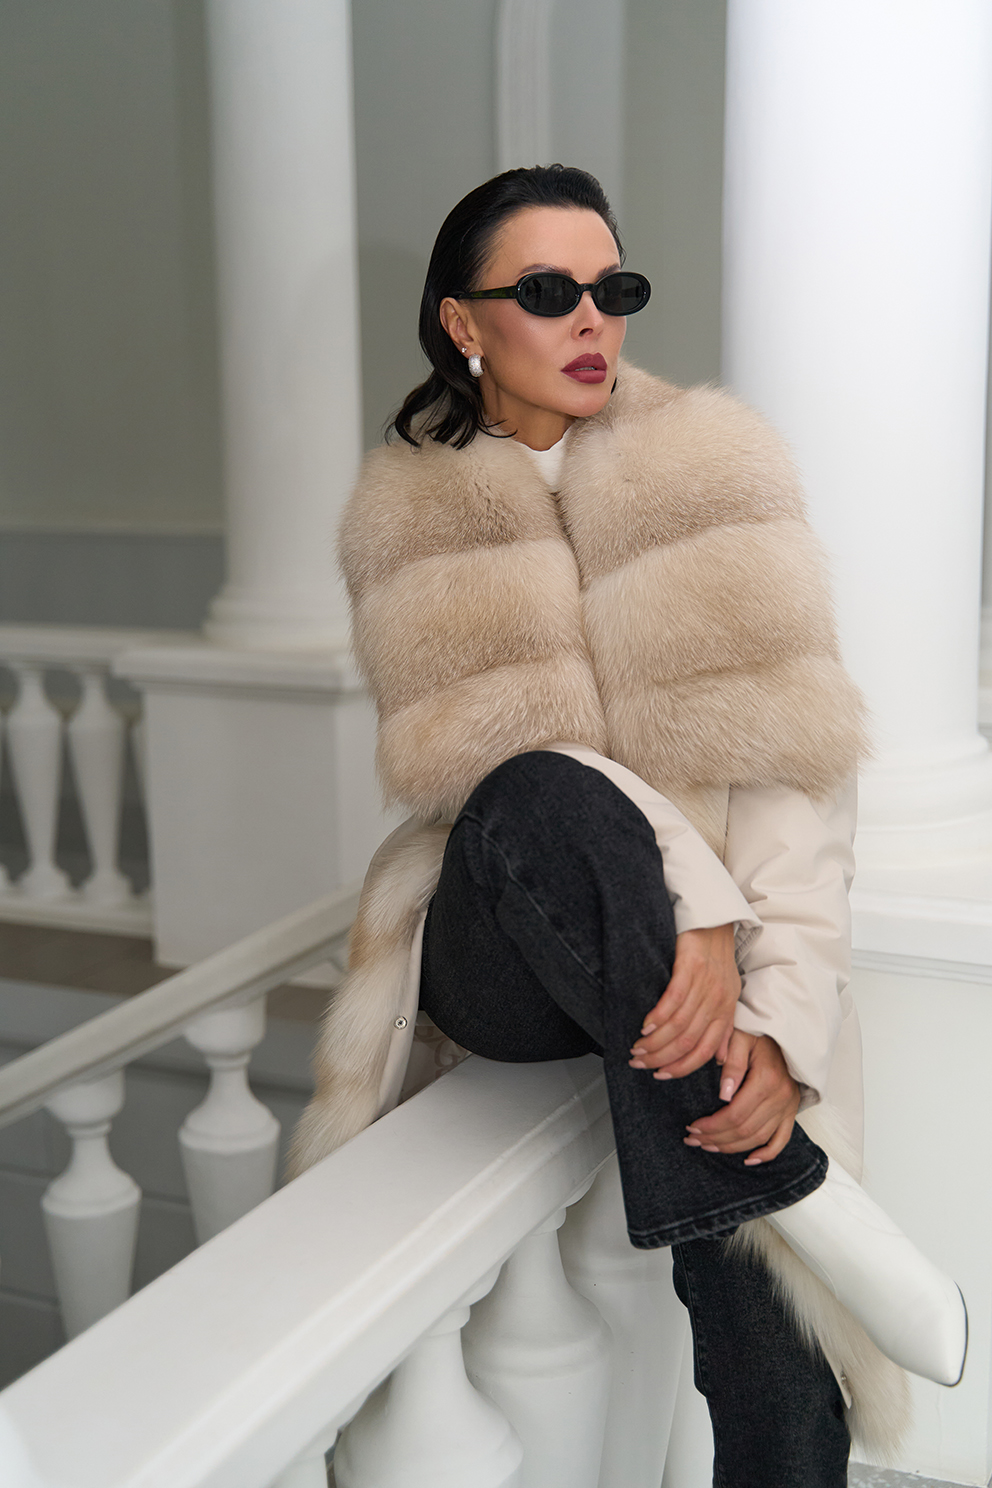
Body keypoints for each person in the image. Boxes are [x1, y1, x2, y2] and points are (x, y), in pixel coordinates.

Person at [290, 165, 965, 1485]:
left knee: (755, 1269)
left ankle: (780, 1216)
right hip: (512, 944)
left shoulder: (715, 471)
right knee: (537, 790)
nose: (592, 317)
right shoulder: (409, 514)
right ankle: (806, 1201)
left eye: (615, 288)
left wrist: (778, 1024)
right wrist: (692, 903)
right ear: (464, 323)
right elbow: (491, 778)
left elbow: (798, 780)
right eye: (549, 291)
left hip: (665, 968)